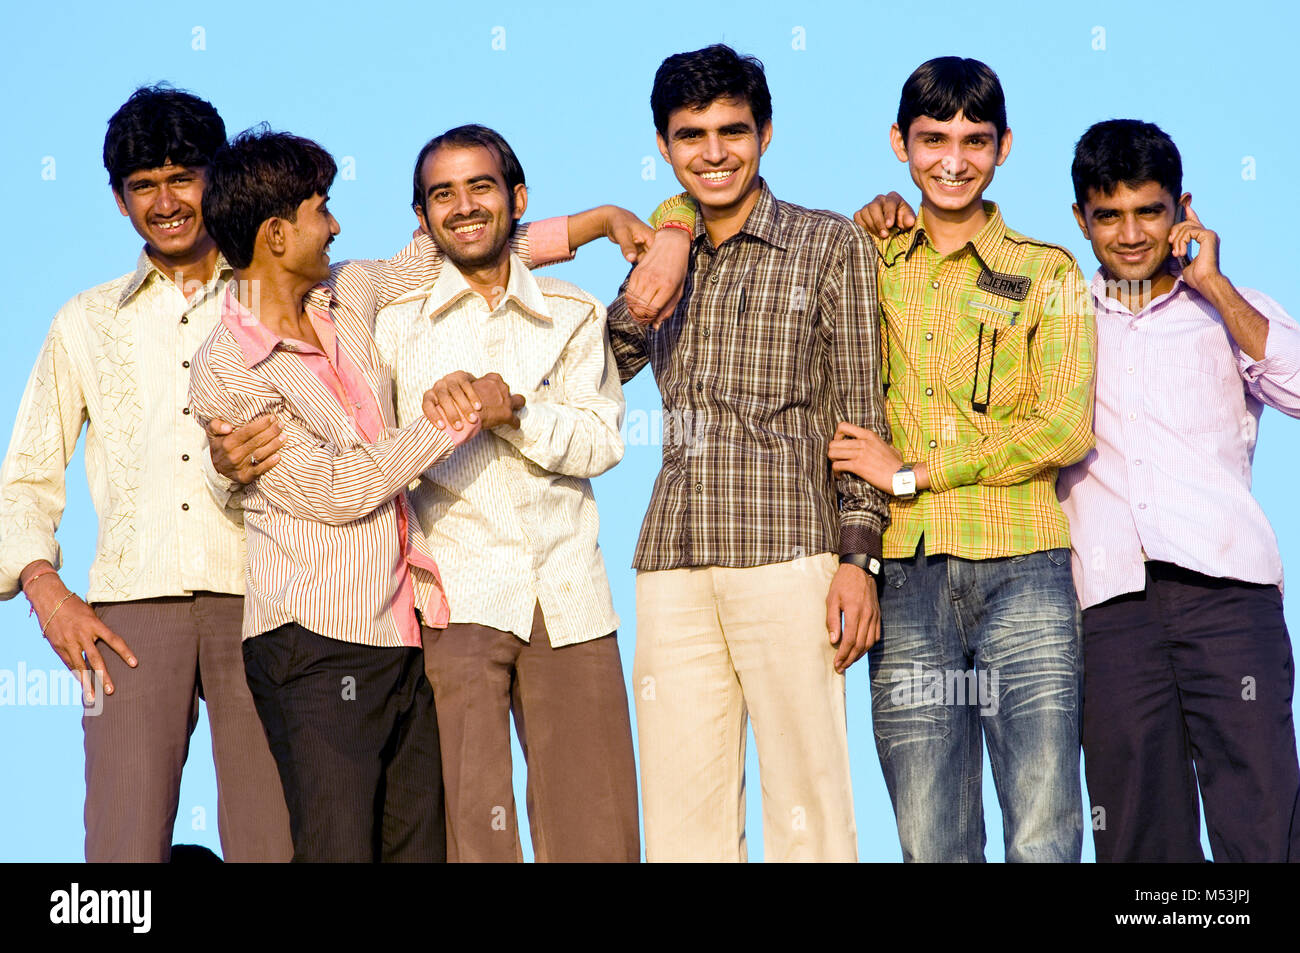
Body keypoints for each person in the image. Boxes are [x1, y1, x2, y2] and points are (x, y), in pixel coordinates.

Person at [187, 127, 515, 861]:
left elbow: (445, 245)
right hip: (313, 645)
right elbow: (336, 489)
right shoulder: (229, 371)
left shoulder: (346, 292)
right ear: (276, 234)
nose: (335, 225)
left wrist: (617, 227)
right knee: (337, 849)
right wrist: (458, 414)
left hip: (401, 634)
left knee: (418, 852)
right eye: (321, 208)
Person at [607, 44, 891, 862]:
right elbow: (596, 365)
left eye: (732, 130)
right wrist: (668, 234)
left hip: (791, 551)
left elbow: (859, 409)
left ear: (765, 133)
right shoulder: (662, 254)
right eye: (690, 135)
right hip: (674, 557)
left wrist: (858, 561)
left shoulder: (827, 243)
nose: (714, 151)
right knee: (680, 818)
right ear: (664, 146)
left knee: (812, 807)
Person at [0, 86, 292, 862]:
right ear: (120, 199)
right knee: (119, 853)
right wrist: (45, 588)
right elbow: (25, 477)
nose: (165, 201)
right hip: (126, 616)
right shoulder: (84, 319)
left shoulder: (282, 297)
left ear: (218, 178)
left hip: (267, 599)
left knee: (277, 842)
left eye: (181, 175)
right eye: (143, 185)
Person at [835, 58, 1095, 862]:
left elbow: (1063, 430)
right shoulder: (866, 258)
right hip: (905, 577)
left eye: (974, 141)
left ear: (1004, 147)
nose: (953, 159)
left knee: (1045, 823)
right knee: (929, 834)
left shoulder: (1049, 271)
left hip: (1024, 563)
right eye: (933, 138)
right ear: (899, 144)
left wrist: (914, 473)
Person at [372, 124, 638, 862]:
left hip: (571, 597)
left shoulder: (575, 311)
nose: (463, 206)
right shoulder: (391, 327)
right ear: (422, 220)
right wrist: (436, 422)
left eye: (480, 186)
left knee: (598, 831)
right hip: (455, 603)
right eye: (442, 194)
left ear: (517, 198)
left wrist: (513, 411)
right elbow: (377, 461)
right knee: (471, 835)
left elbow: (602, 443)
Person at [1059, 119, 1300, 862]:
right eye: (1109, 215)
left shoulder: (1231, 311)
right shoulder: (1058, 321)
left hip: (1230, 600)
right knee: (1137, 833)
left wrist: (1215, 285)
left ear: (1183, 210)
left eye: (1150, 210)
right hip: (1111, 610)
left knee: (1263, 821)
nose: (1130, 234)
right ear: (1081, 220)